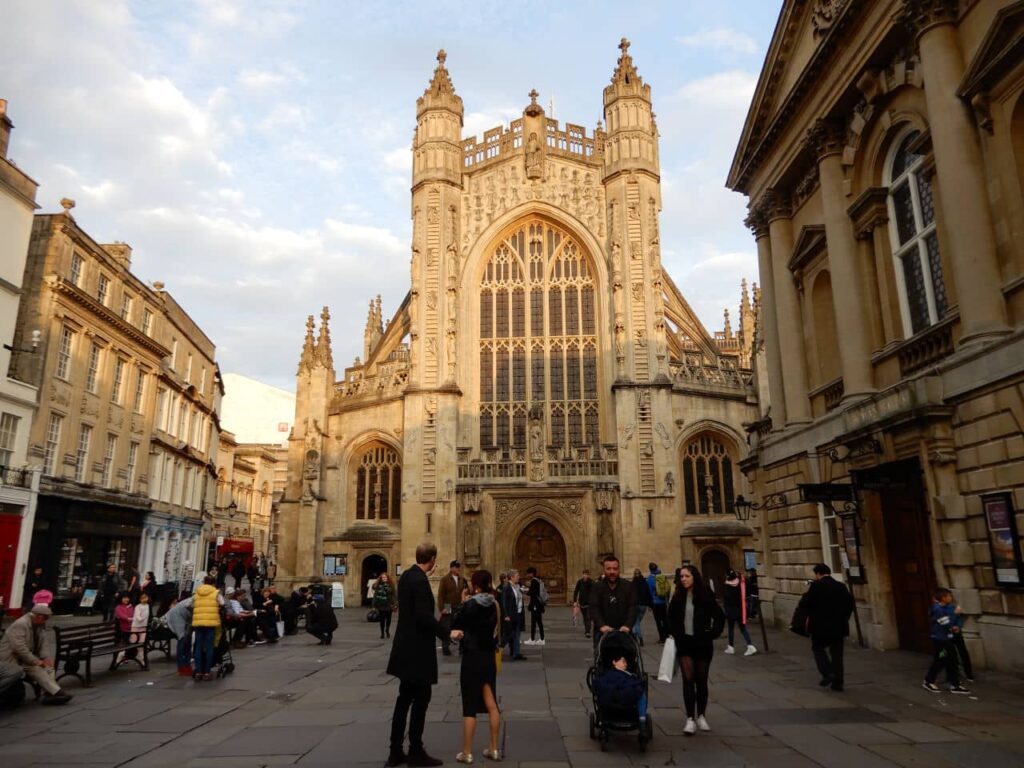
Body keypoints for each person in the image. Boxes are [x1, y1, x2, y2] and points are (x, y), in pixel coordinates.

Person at [386, 542, 449, 768]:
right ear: (431, 559)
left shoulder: (406, 576)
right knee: (421, 701)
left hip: (404, 648)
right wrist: (447, 633)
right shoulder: (420, 581)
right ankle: (415, 751)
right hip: (417, 651)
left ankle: (395, 751)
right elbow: (423, 616)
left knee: (403, 700)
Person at [449, 569, 502, 763]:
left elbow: (456, 624)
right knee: (492, 703)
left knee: (470, 706)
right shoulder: (495, 604)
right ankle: (494, 749)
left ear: (476, 585)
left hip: (472, 657)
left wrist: (463, 602)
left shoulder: (470, 605)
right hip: (488, 657)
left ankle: (467, 752)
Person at [668, 564, 725, 735]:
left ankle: (701, 715)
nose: (683, 579)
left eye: (686, 576)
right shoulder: (677, 596)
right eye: (682, 577)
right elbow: (670, 618)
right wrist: (676, 634)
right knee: (688, 680)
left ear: (695, 577)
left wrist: (712, 633)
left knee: (701, 681)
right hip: (685, 644)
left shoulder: (706, 596)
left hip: (703, 644)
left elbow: (719, 617)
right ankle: (690, 719)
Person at [795, 564, 855, 692]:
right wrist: (844, 618)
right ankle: (838, 683)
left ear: (818, 574)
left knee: (818, 649)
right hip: (839, 626)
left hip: (819, 626)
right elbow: (850, 604)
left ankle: (827, 672)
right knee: (837, 654)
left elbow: (805, 603)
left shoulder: (816, 586)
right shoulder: (841, 586)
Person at [0, 604, 73, 705]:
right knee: (37, 669)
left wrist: (45, 657)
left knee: (49, 668)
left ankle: (49, 694)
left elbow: (43, 643)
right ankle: (57, 692)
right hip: (13, 659)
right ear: (38, 616)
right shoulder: (20, 624)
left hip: (26, 658)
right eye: (45, 618)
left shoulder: (39, 624)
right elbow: (19, 648)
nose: (46, 620)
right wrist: (36, 661)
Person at [923, 588, 971, 694]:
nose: (950, 598)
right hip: (940, 640)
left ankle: (954, 684)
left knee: (951, 660)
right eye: (948, 596)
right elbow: (946, 623)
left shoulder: (942, 608)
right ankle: (929, 680)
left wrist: (954, 626)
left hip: (945, 638)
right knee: (941, 659)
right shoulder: (938, 609)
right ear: (943, 598)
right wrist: (955, 615)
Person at [589, 555, 637, 649]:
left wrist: (627, 625)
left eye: (615, 569)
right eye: (608, 569)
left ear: (619, 570)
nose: (612, 572)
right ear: (604, 570)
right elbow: (594, 608)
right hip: (603, 633)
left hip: (624, 632)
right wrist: (601, 625)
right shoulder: (596, 587)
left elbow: (633, 607)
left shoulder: (628, 586)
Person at [192, 575, 224, 682]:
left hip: (198, 622)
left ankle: (198, 672)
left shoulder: (197, 592)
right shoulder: (216, 592)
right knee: (209, 647)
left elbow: (190, 605)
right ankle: (206, 672)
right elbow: (223, 603)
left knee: (198, 647)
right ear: (213, 583)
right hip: (211, 622)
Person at [437, 560, 468, 656]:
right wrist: (442, 608)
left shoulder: (462, 579)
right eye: (456, 567)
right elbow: (440, 595)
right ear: (451, 568)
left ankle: (462, 648)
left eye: (459, 567)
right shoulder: (445, 579)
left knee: (462, 626)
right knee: (447, 627)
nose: (458, 568)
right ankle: (446, 647)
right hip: (448, 605)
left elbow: (465, 591)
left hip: (460, 606)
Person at [722, 570, 757, 656]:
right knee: (743, 628)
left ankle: (731, 647)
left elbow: (726, 599)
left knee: (731, 629)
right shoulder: (740, 584)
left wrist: (726, 610)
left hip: (731, 611)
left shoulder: (727, 586)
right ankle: (749, 645)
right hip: (740, 610)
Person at [164, 595, 195, 676]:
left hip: (186, 618)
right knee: (182, 639)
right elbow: (188, 606)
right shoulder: (196, 598)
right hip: (177, 617)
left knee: (187, 641)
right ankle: (181, 667)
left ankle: (186, 665)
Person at [500, 569, 526, 660]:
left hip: (518, 613)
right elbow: (504, 603)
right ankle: (498, 649)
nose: (518, 577)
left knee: (517, 634)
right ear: (511, 577)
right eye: (517, 576)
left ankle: (516, 653)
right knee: (508, 634)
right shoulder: (506, 587)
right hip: (511, 614)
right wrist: (506, 615)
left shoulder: (517, 586)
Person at [949, 592, 974, 682]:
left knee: (963, 652)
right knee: (945, 654)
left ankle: (968, 673)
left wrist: (958, 627)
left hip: (956, 634)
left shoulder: (953, 607)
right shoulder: (939, 609)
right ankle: (953, 673)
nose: (949, 598)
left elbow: (959, 619)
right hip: (945, 635)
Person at [646, 563, 670, 643]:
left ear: (650, 569)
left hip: (655, 602)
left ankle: (662, 638)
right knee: (665, 619)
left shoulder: (649, 579)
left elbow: (649, 592)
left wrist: (649, 604)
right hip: (663, 601)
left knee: (658, 621)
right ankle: (667, 635)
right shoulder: (662, 576)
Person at [524, 566, 546, 646]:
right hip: (539, 604)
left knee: (535, 622)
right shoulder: (538, 580)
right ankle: (539, 639)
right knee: (537, 622)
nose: (527, 575)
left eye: (528, 573)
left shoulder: (534, 581)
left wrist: (525, 591)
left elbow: (532, 592)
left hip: (535, 604)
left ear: (531, 573)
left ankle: (535, 639)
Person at [373, 572, 398, 639]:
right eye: (383, 577)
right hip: (380, 604)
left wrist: (395, 604)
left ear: (388, 578)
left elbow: (394, 595)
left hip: (388, 604)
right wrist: (374, 605)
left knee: (388, 619)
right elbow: (375, 594)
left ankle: (387, 630)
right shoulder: (378, 585)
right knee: (382, 620)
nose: (384, 579)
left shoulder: (391, 585)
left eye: (385, 577)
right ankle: (382, 633)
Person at [631, 567, 652, 646]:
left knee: (636, 623)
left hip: (636, 605)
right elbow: (648, 594)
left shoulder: (633, 583)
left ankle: (638, 637)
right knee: (637, 622)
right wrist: (650, 605)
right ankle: (638, 638)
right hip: (643, 606)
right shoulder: (644, 582)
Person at [572, 569, 594, 638]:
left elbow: (594, 592)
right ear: (582, 574)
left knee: (588, 617)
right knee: (585, 617)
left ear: (588, 575)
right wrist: (575, 601)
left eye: (586, 574)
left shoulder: (591, 582)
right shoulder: (580, 582)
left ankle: (588, 632)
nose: (585, 575)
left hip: (589, 603)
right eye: (584, 574)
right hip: (582, 603)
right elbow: (576, 591)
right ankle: (586, 629)